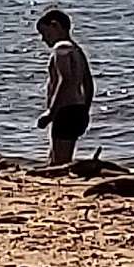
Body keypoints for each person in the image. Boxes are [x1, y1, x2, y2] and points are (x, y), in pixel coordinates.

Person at [35, 9, 94, 166]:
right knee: (58, 155)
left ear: (55, 26)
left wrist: (51, 112)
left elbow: (65, 80)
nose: (43, 39)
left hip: (65, 110)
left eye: (45, 34)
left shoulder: (61, 48)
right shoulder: (77, 50)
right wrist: (85, 108)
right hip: (78, 108)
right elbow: (88, 83)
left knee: (60, 161)